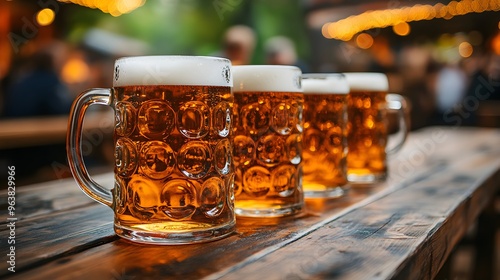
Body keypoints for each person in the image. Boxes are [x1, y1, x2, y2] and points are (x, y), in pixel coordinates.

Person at [3, 50, 72, 118]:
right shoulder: (50, 81)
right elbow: (61, 108)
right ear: (52, 63)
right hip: (35, 126)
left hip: (12, 124)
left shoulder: (23, 80)